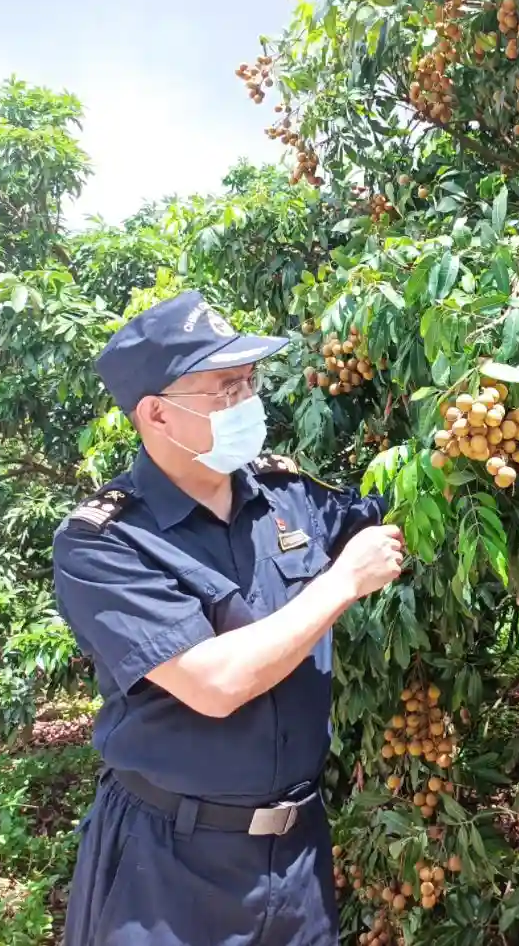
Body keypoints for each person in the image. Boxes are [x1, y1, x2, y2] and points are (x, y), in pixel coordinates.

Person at [53, 290, 404, 946]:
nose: (248, 401)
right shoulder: (105, 542)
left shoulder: (286, 495)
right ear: (156, 413)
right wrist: (342, 584)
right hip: (169, 869)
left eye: (249, 382)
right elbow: (214, 682)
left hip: (297, 857)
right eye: (224, 388)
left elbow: (392, 510)